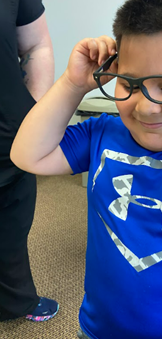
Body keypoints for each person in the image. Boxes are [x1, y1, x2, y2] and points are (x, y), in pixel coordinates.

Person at [10, 0, 162, 337]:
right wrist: (72, 83)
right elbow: (28, 155)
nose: (146, 107)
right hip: (99, 330)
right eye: (129, 84)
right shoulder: (101, 133)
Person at [0, 0, 59, 322]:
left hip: (8, 133)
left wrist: (32, 115)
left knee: (12, 224)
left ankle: (14, 300)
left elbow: (36, 44)